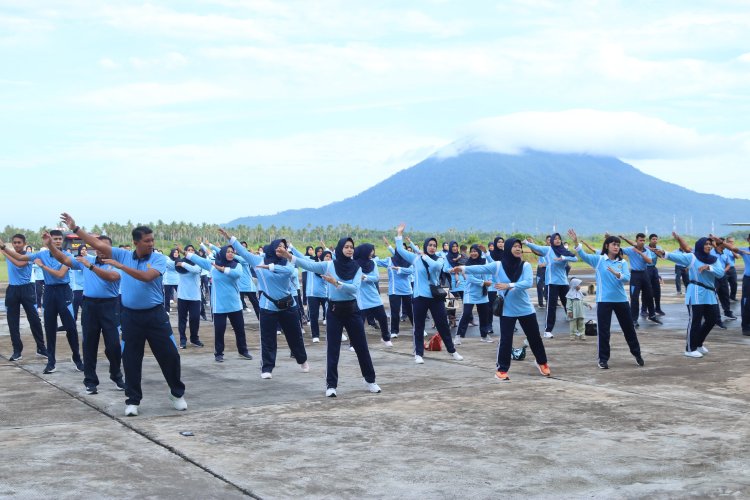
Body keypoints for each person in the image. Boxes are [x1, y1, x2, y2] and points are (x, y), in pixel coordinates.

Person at [61, 213, 187, 417]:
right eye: (147, 241)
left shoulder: (157, 258)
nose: (151, 244)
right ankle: (133, 400)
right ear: (136, 242)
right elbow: (97, 244)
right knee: (130, 359)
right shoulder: (124, 254)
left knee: (170, 356)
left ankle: (176, 393)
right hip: (130, 317)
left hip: (155, 316)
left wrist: (121, 267)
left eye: (152, 240)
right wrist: (76, 229)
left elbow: (147, 277)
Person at [279, 237, 381, 397]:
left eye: (351, 247)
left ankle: (370, 380)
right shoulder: (329, 265)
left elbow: (354, 289)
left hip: (353, 311)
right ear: (340, 249)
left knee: (362, 347)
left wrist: (336, 283)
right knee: (333, 350)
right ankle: (331, 385)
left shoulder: (357, 268)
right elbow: (309, 265)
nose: (349, 249)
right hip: (334, 312)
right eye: (346, 247)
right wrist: (289, 256)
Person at [452, 238, 550, 380]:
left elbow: (527, 283)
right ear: (509, 248)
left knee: (535, 337)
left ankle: (542, 362)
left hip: (525, 309)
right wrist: (463, 268)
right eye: (515, 246)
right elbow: (481, 268)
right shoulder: (498, 265)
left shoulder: (526, 265)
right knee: (506, 339)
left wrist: (508, 285)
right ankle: (502, 369)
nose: (518, 249)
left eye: (519, 247)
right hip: (508, 310)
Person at [222, 230, 309, 379]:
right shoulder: (258, 261)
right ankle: (267, 368)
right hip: (268, 306)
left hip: (288, 305)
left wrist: (271, 267)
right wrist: (231, 238)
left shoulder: (288, 263)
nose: (281, 248)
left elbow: (288, 272)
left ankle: (302, 360)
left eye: (284, 246)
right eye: (278, 246)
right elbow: (243, 252)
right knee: (268, 338)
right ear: (272, 247)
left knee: (295, 336)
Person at [44, 233, 125, 394]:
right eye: (98, 247)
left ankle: (116, 376)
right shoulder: (86, 262)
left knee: (114, 345)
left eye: (105, 247)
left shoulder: (116, 263)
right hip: (89, 306)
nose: (101, 250)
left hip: (110, 306)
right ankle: (90, 380)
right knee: (89, 344)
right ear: (95, 248)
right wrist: (51, 246)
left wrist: (90, 266)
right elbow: (64, 259)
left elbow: (111, 277)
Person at [2, 229, 83, 373]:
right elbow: (19, 258)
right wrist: (3, 247)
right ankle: (51, 361)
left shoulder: (67, 255)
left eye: (59, 239)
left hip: (64, 292)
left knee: (70, 328)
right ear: (49, 240)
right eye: (54, 239)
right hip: (49, 292)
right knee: (50, 328)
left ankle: (76, 358)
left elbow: (60, 275)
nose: (57, 241)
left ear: (62, 240)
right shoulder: (41, 254)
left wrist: (42, 266)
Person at [568, 229, 644, 369]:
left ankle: (637, 354)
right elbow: (583, 256)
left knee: (629, 329)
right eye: (614, 244)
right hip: (604, 301)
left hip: (621, 300)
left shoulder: (622, 263)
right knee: (604, 331)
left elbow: (627, 278)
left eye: (618, 245)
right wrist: (576, 242)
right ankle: (603, 359)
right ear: (607, 246)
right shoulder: (599, 260)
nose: (616, 247)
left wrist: (617, 274)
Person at [393, 223, 463, 365]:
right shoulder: (415, 258)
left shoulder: (439, 259)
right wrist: (399, 234)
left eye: (434, 245)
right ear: (425, 246)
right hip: (420, 297)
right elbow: (400, 250)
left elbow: (435, 266)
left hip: (435, 297)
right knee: (418, 326)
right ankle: (418, 353)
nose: (432, 247)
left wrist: (424, 256)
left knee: (442, 324)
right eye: (429, 245)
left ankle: (452, 350)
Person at [186, 244, 253, 362]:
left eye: (232, 251)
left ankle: (243, 351)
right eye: (228, 252)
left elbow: (236, 274)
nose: (231, 253)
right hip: (219, 305)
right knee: (219, 331)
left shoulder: (237, 266)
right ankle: (219, 353)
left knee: (240, 330)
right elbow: (199, 259)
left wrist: (222, 269)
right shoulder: (212, 265)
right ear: (222, 253)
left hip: (235, 304)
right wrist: (186, 253)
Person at [665, 233, 725, 358]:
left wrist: (709, 267)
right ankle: (689, 348)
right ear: (700, 246)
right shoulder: (692, 257)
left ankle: (698, 343)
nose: (708, 246)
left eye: (710, 244)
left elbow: (720, 273)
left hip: (709, 292)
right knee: (695, 320)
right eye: (706, 244)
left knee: (712, 319)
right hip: (696, 291)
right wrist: (663, 253)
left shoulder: (713, 260)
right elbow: (676, 257)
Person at [0, 234, 47, 361]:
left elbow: (19, 263)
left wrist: (4, 248)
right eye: (14, 242)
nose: (16, 244)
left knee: (34, 320)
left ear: (24, 243)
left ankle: (41, 348)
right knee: (12, 322)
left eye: (19, 242)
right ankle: (17, 351)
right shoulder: (7, 251)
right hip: (12, 290)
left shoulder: (29, 256)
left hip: (27, 289)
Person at [524, 233, 578, 338]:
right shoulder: (548, 250)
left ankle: (575, 329)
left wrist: (563, 257)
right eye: (555, 239)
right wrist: (527, 243)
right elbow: (536, 247)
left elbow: (575, 258)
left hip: (563, 282)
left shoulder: (564, 251)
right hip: (552, 282)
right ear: (552, 240)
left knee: (569, 305)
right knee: (551, 307)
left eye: (559, 239)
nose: (557, 240)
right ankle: (547, 330)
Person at [353, 243, 393, 347]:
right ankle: (353, 343)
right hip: (361, 296)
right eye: (371, 251)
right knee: (359, 321)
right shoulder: (354, 264)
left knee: (383, 317)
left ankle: (386, 338)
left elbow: (376, 277)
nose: (372, 253)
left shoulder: (373, 263)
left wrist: (365, 277)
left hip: (373, 295)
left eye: (373, 251)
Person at [619, 233, 661, 327]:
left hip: (644, 274)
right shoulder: (630, 250)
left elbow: (649, 261)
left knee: (649, 295)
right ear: (636, 241)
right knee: (634, 298)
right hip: (635, 275)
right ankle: (634, 319)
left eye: (643, 240)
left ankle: (652, 315)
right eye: (640, 240)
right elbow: (619, 250)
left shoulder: (647, 251)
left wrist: (640, 253)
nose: (642, 242)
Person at [290, 244, 330, 342]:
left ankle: (336, 334)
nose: (328, 258)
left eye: (329, 256)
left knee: (332, 315)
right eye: (319, 252)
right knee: (313, 315)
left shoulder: (330, 266)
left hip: (326, 294)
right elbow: (300, 257)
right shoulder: (312, 262)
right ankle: (315, 335)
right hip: (313, 294)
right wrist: (292, 247)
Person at [454, 244, 493, 343]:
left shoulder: (484, 262)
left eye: (475, 251)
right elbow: (470, 278)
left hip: (482, 293)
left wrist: (486, 252)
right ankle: (458, 336)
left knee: (484, 315)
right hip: (470, 293)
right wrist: (483, 283)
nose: (473, 253)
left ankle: (484, 336)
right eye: (472, 251)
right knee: (466, 314)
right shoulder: (467, 264)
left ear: (479, 253)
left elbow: (492, 265)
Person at [382, 236, 414, 339]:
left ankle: (418, 329)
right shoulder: (390, 260)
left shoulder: (409, 262)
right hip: (394, 290)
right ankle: (394, 331)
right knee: (395, 311)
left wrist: (399, 268)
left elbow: (411, 271)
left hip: (407, 290)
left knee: (411, 311)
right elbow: (374, 262)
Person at [173, 245, 204, 349]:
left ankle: (194, 339)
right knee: (182, 319)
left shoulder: (198, 263)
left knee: (194, 318)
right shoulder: (179, 263)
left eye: (192, 250)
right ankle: (183, 340)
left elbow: (195, 270)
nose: (190, 252)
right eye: (188, 250)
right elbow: (176, 266)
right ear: (185, 252)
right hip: (182, 295)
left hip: (195, 296)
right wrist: (181, 263)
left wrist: (183, 263)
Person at [163, 248, 180, 313]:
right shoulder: (168, 259)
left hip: (177, 280)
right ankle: (167, 310)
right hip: (168, 281)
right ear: (172, 253)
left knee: (180, 296)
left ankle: (180, 308)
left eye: (177, 252)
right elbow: (171, 264)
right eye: (174, 252)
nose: (176, 253)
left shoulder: (180, 260)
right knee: (167, 296)